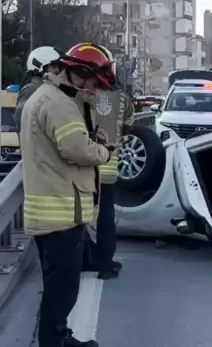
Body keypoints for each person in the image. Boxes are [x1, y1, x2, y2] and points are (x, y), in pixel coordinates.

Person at [20, 43, 115, 347]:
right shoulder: (59, 103)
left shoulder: (51, 96)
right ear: (80, 74)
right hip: (59, 214)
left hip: (54, 209)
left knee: (58, 288)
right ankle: (53, 341)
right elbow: (76, 149)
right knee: (62, 292)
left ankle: (60, 336)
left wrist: (90, 136)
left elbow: (69, 139)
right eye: (94, 83)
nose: (94, 90)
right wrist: (103, 150)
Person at [80, 44, 135, 280]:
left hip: (83, 165)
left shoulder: (83, 93)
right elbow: (129, 125)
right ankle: (105, 265)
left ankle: (82, 259)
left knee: (78, 216)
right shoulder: (123, 98)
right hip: (109, 166)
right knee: (105, 219)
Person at [14, 46, 64, 132]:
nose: (57, 70)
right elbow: (23, 122)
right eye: (54, 66)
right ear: (40, 66)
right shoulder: (30, 90)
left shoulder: (50, 89)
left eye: (58, 67)